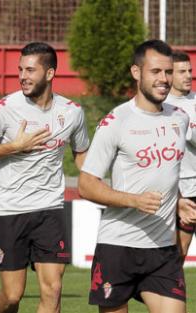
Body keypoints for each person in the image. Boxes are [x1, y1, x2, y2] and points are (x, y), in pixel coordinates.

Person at [0, 42, 90, 313]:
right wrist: (14, 147)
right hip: (9, 210)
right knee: (12, 296)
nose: (23, 76)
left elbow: (82, 154)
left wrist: (100, 180)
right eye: (20, 69)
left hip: (50, 209)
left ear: (49, 73)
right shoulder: (4, 109)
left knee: (53, 289)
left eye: (30, 70)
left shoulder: (72, 112)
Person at [79, 40, 195, 313]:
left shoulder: (179, 118)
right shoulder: (116, 121)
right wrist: (134, 200)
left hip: (163, 248)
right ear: (136, 72)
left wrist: (177, 200)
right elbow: (86, 185)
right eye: (155, 72)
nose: (164, 79)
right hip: (118, 246)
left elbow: (166, 173)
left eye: (168, 72)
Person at [165, 51, 196, 263]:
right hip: (179, 188)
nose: (188, 76)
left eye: (190, 71)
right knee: (177, 251)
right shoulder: (163, 105)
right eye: (182, 71)